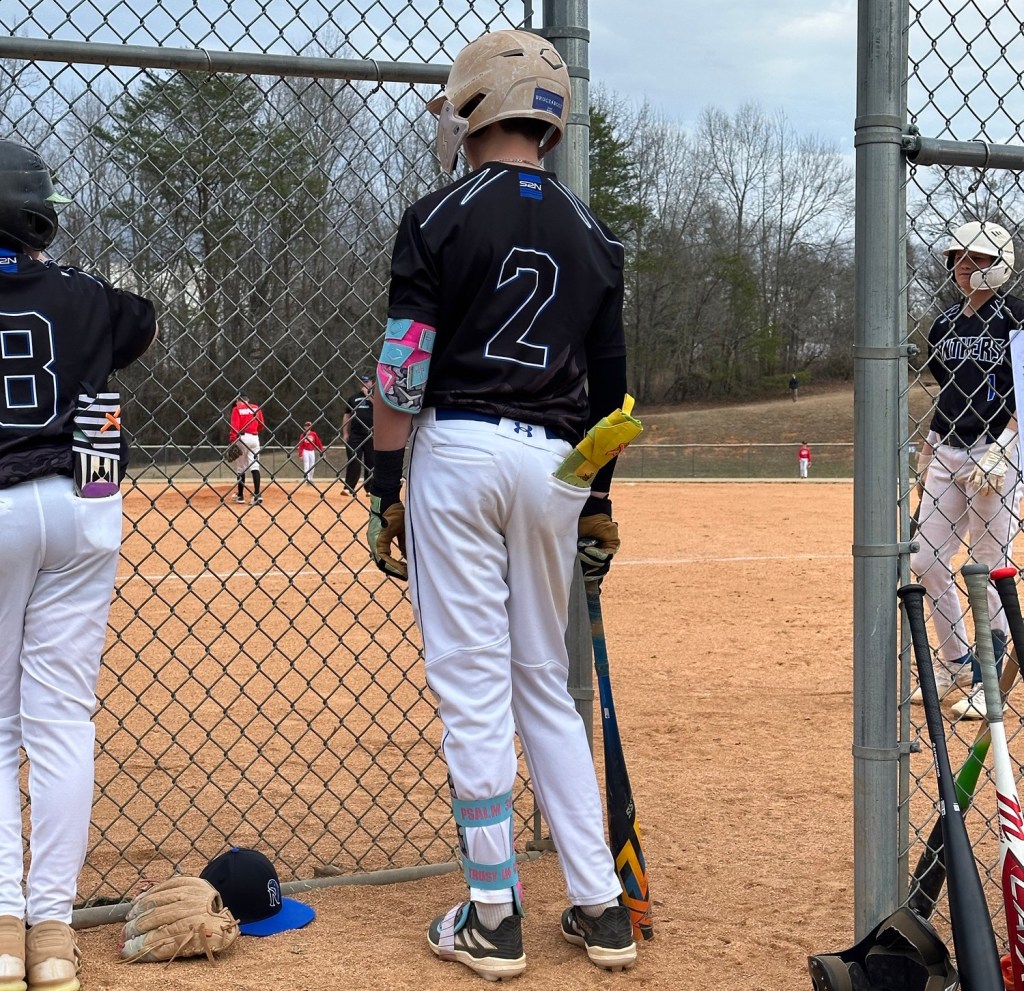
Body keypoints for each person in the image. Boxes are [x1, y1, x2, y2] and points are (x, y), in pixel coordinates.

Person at [365, 29, 637, 980]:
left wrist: (386, 484)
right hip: (557, 466)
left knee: (473, 689)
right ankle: (600, 905)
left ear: (477, 105)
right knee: (544, 686)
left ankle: (491, 913)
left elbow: (402, 372)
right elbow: (613, 391)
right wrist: (596, 498)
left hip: (459, 448)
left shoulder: (437, 216)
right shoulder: (596, 236)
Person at [0, 139, 157, 991]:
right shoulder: (87, 295)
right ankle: (54, 933)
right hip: (83, 501)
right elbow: (144, 320)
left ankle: (3, 931)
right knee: (61, 719)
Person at [910, 220, 1024, 719]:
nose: (963, 266)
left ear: (1000, 263)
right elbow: (950, 391)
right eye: (957, 257)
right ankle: (957, 661)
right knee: (925, 560)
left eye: (976, 258)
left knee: (988, 564)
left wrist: (1004, 445)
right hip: (949, 446)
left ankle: (989, 677)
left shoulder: (1017, 318)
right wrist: (928, 447)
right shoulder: (944, 324)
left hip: (998, 450)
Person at [229, 392, 265, 505]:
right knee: (255, 466)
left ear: (238, 400)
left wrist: (233, 440)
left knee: (241, 468)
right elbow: (261, 425)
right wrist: (254, 430)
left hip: (242, 438)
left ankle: (240, 496)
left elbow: (234, 427)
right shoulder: (256, 408)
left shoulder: (237, 409)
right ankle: (257, 494)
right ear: (247, 400)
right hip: (255, 438)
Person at [342, 374, 374, 494]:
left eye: (367, 382)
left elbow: (379, 408)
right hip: (356, 434)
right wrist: (345, 433)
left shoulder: (376, 397)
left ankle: (370, 488)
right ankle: (349, 487)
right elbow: (347, 415)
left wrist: (368, 395)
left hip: (372, 434)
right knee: (353, 460)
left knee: (371, 461)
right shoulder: (353, 398)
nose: (364, 384)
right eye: (362, 382)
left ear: (371, 383)